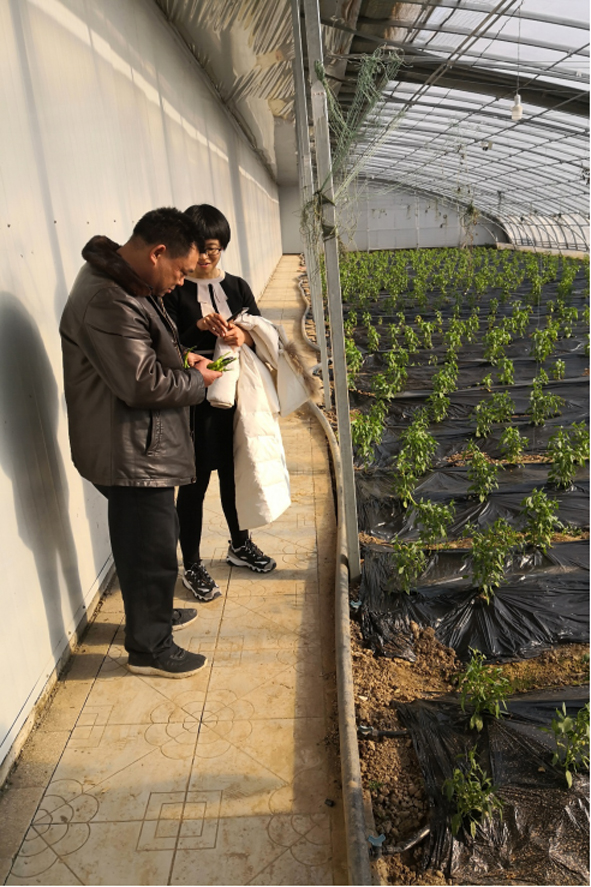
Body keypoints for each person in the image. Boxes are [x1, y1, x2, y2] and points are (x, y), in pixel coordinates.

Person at [59, 207, 222, 678]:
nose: (180, 282)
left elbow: (146, 349)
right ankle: (150, 649)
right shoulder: (108, 297)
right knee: (150, 549)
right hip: (129, 449)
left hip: (136, 442)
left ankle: (153, 615)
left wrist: (183, 356)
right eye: (181, 271)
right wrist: (197, 381)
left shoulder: (127, 283)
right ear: (157, 253)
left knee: (148, 539)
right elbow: (141, 383)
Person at [164, 204, 276, 603]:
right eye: (198, 248)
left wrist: (242, 337)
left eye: (212, 249)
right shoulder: (174, 291)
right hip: (194, 405)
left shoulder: (237, 287)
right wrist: (198, 328)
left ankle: (239, 544)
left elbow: (262, 332)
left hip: (237, 400)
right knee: (193, 485)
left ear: (222, 247)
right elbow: (166, 346)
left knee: (234, 474)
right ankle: (192, 563)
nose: (204, 257)